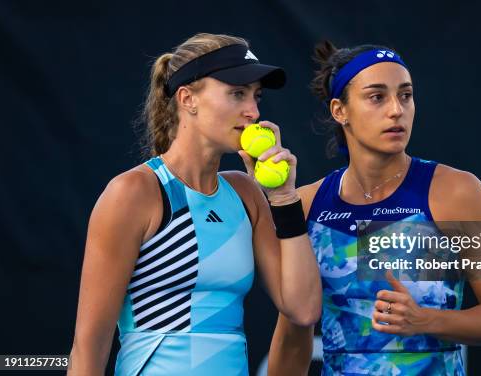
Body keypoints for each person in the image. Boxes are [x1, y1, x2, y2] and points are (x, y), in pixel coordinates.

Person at [67, 33, 322, 376]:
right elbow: (88, 347)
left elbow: (303, 309)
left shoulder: (246, 193)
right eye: (237, 93)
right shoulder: (134, 192)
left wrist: (284, 198)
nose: (253, 111)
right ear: (188, 99)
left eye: (256, 96)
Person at [267, 41, 481, 375]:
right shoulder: (306, 204)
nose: (396, 110)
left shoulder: (458, 193)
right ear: (339, 111)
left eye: (405, 95)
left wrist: (426, 320)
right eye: (377, 97)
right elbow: (292, 338)